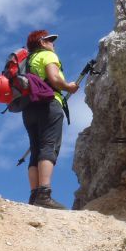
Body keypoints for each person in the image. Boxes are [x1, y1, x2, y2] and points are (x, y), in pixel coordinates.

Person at [22, 29, 79, 209]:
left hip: (28, 108)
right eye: (49, 40)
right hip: (48, 104)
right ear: (42, 43)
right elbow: (54, 78)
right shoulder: (47, 55)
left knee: (35, 149)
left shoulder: (28, 61)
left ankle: (34, 196)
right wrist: (68, 87)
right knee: (49, 147)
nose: (53, 43)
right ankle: (44, 195)